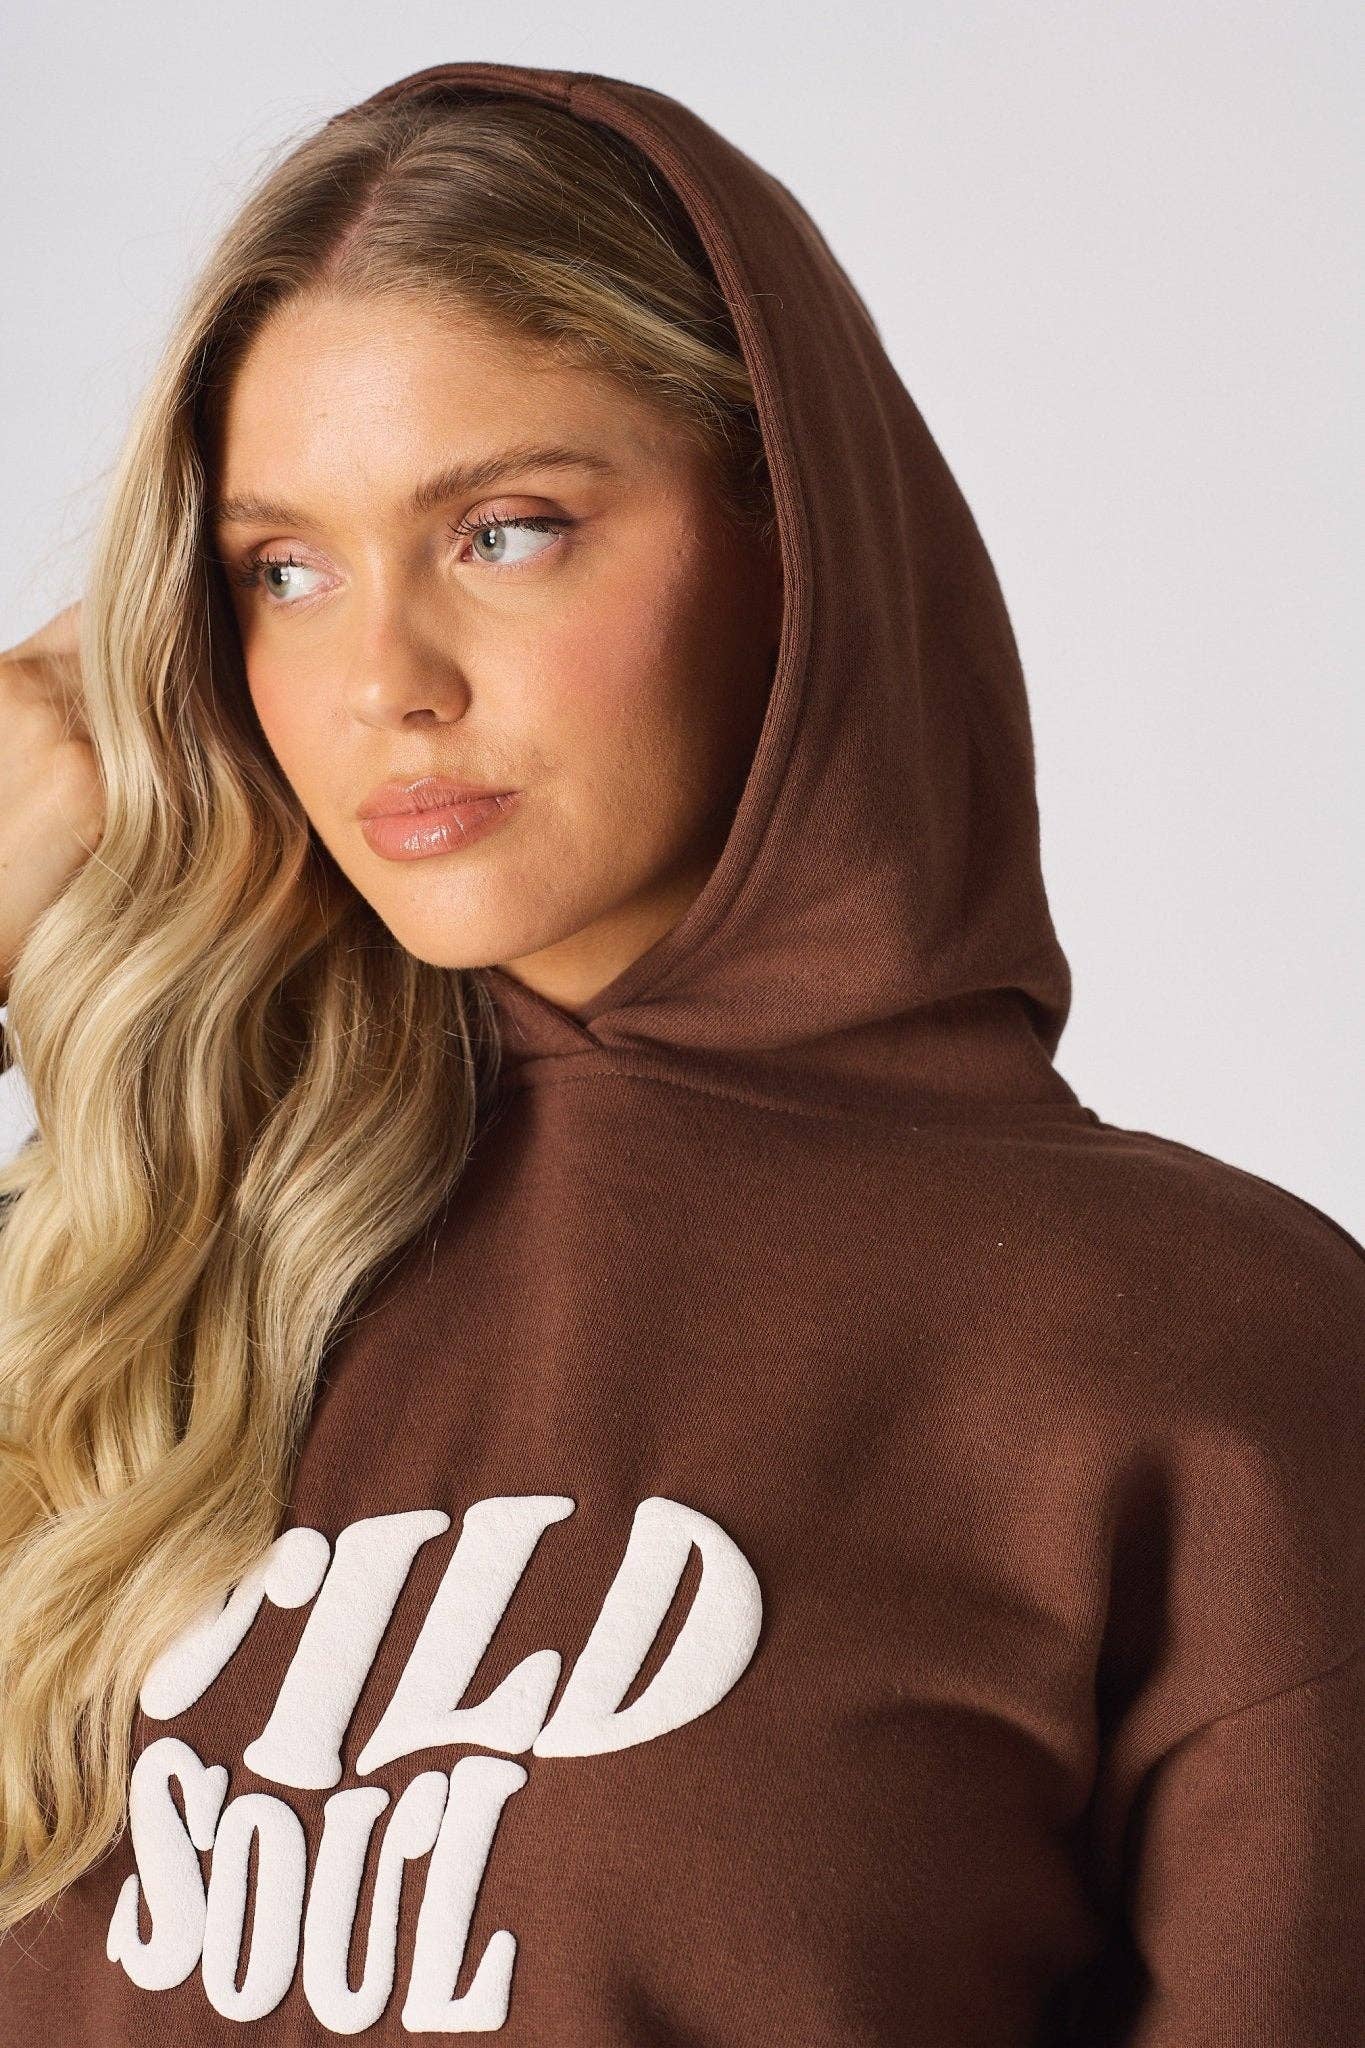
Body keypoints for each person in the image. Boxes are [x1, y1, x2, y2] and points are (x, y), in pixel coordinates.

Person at [0, 57, 1360, 2048]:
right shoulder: (114, 1267)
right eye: (283, 570)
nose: (382, 681)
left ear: (790, 531)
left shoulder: (1200, 1354)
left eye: (505, 531)